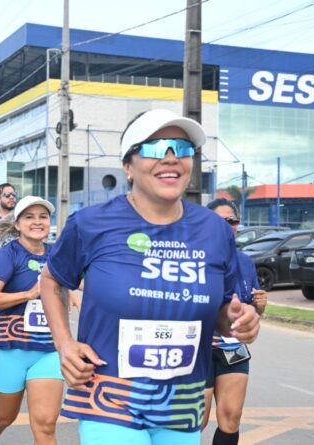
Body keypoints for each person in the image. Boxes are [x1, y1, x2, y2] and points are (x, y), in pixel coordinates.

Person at [39, 108, 260, 445]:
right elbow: (52, 280)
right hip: (109, 396)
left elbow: (223, 314)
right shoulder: (90, 224)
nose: (171, 158)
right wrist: (64, 343)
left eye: (182, 149)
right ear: (128, 166)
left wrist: (237, 320)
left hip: (181, 402)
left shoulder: (216, 231)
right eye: (156, 148)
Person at [0, 195, 63, 445]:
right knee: (4, 417)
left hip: (48, 349)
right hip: (9, 347)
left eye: (43, 217)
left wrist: (72, 295)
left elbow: (72, 280)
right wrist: (28, 294)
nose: (37, 222)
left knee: (46, 424)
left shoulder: (57, 254)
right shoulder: (7, 255)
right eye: (29, 217)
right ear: (17, 224)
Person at [200, 198, 267, 444]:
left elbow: (250, 309)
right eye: (220, 221)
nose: (227, 226)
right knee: (198, 420)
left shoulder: (245, 261)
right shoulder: (194, 257)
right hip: (199, 349)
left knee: (231, 418)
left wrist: (259, 308)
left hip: (232, 349)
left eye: (232, 221)